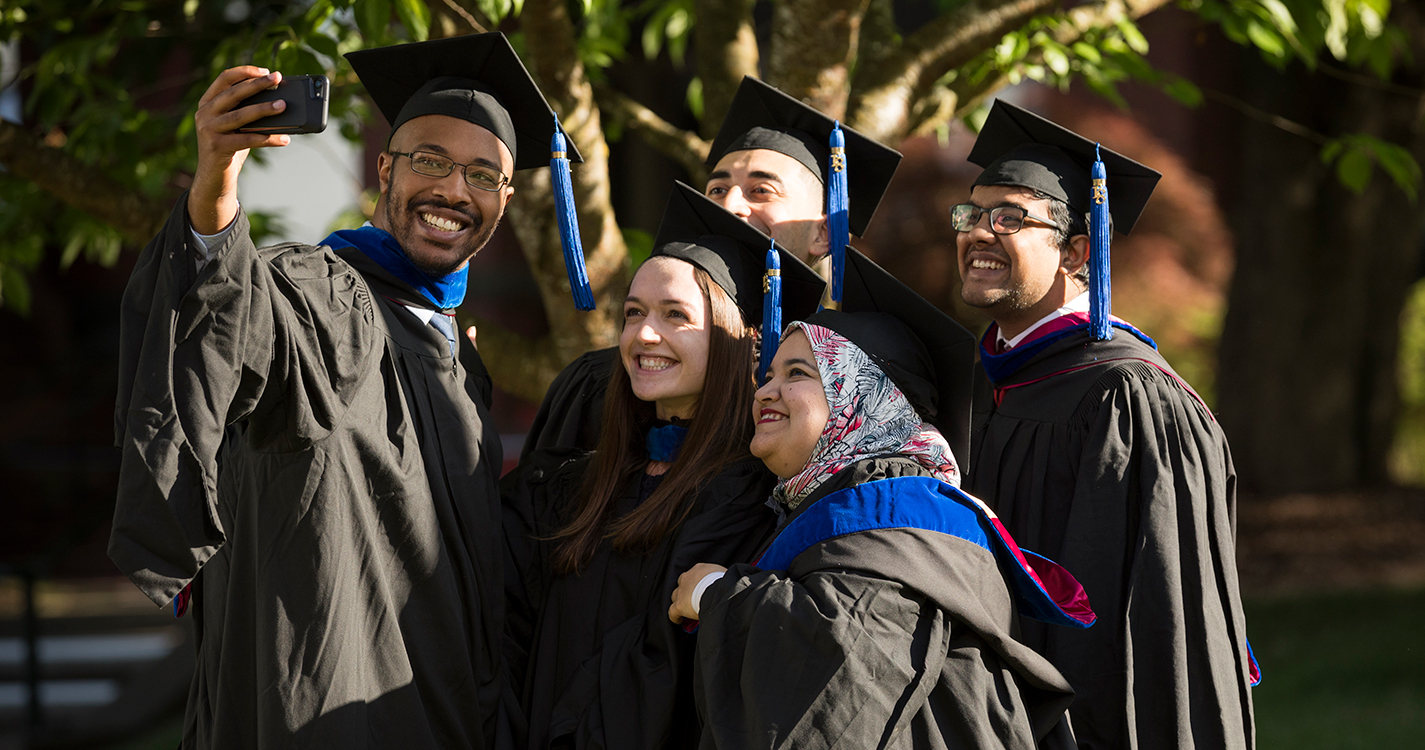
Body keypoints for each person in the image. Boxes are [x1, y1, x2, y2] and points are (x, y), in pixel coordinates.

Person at [108, 33, 580, 748]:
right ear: (384, 169)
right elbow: (241, 321)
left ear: (506, 198)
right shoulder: (326, 295)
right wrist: (215, 189)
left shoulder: (454, 354)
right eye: (431, 161)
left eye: (483, 176)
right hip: (327, 709)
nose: (454, 190)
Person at [668, 248, 1091, 749]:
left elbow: (847, 668)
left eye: (798, 374)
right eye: (769, 375)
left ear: (864, 397)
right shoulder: (840, 504)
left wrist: (717, 594)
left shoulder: (896, 511)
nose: (764, 392)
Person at [955, 100, 1259, 749]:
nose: (977, 232)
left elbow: (1157, 621)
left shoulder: (1129, 398)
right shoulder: (993, 383)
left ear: (1076, 251)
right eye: (971, 214)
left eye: (1008, 217)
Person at [504, 183, 825, 748]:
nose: (643, 335)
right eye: (634, 313)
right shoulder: (577, 484)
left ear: (742, 339)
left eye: (676, 315)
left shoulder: (753, 502)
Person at [517, 76, 904, 460]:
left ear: (824, 234)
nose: (730, 205)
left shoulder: (832, 397)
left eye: (760, 191)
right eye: (717, 189)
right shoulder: (602, 382)